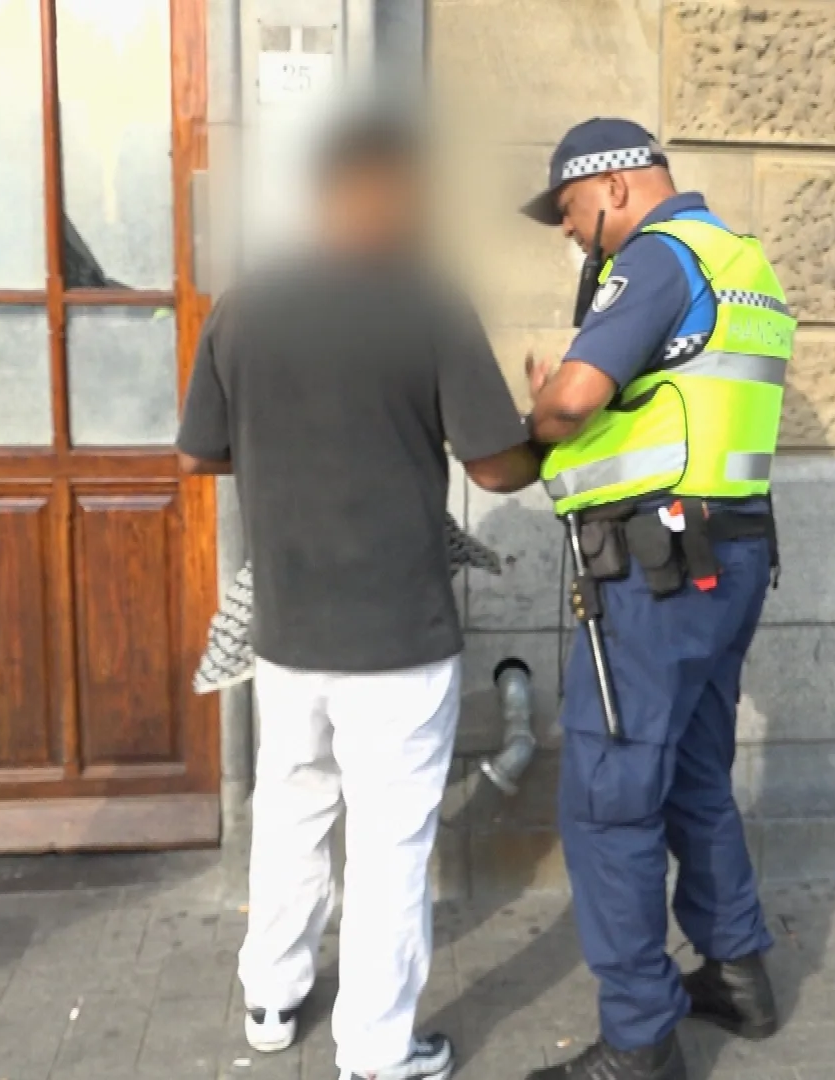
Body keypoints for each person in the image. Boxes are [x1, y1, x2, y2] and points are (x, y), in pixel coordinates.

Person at [175, 111, 542, 1080]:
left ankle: (272, 996)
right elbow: (496, 467)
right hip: (398, 636)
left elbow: (200, 453)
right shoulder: (426, 305)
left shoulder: (244, 306)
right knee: (389, 845)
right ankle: (377, 1052)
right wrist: (546, 432)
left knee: (291, 809)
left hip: (289, 628)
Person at [517, 118, 795, 1080]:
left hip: (657, 571)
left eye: (568, 211)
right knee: (694, 774)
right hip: (733, 556)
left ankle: (639, 1041)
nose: (568, 232)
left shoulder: (655, 258)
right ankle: (739, 975)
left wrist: (542, 407)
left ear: (615, 187)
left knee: (609, 797)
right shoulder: (742, 260)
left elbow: (574, 402)